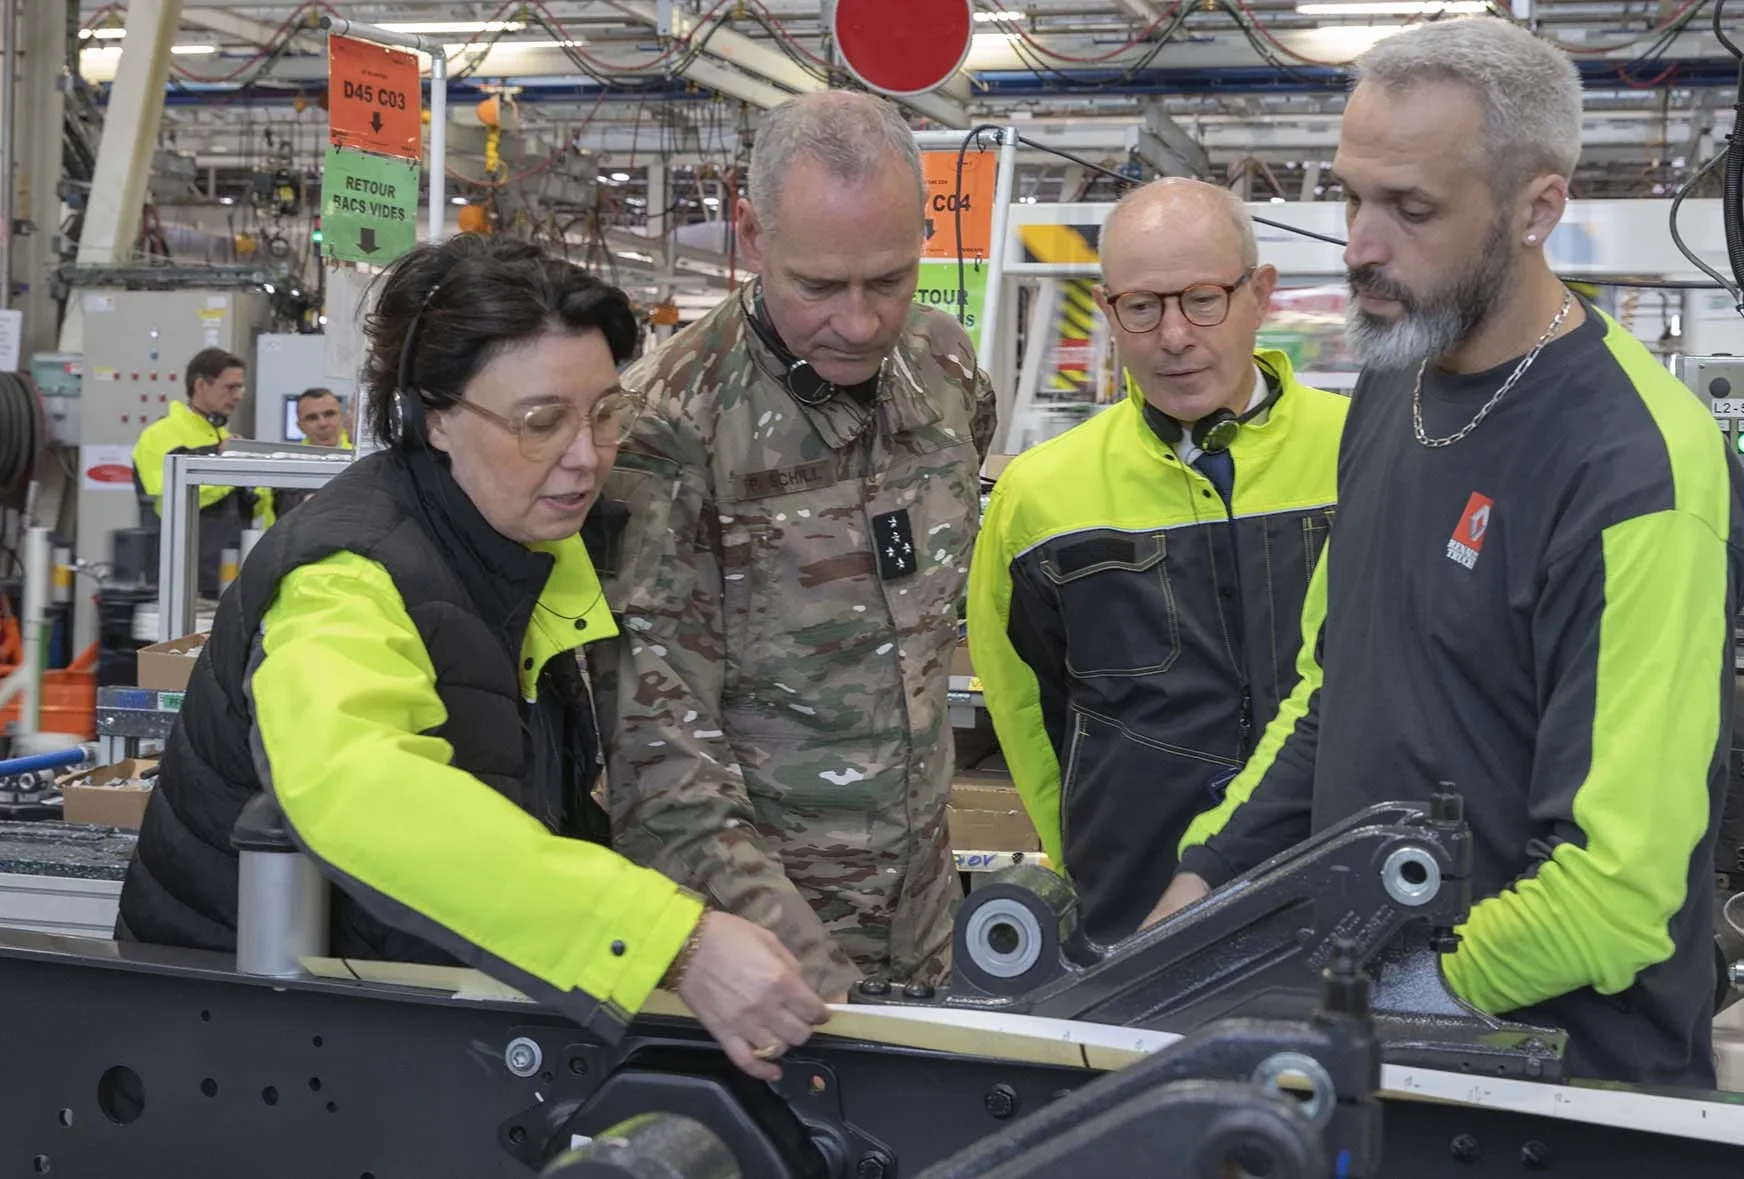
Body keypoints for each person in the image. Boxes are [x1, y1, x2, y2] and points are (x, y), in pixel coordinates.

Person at [1142, 17, 1744, 1088]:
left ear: (1537, 209)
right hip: (1385, 1064)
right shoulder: (1395, 383)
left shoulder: (1635, 465)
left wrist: (1380, 1010)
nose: (1362, 245)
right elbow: (1335, 688)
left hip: (1556, 1092)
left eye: (1412, 209)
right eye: (1351, 197)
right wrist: (1197, 900)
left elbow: (1616, 892)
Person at [116, 235, 826, 1080]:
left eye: (604, 412)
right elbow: (360, 790)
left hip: (384, 1013)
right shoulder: (347, 573)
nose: (586, 456)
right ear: (437, 416)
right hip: (235, 1048)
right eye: (542, 421)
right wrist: (671, 941)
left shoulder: (523, 549)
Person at [604, 90, 995, 999]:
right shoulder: (670, 425)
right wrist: (803, 966)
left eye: (889, 280)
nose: (859, 323)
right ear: (750, 233)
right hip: (761, 964)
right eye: (819, 286)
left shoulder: (945, 374)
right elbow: (657, 743)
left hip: (925, 929)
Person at [965, 178, 1346, 941]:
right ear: (1108, 313)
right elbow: (1025, 707)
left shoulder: (1360, 454)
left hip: (1337, 882)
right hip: (1134, 901)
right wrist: (1082, 856)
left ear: (1259, 293)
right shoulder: (1041, 495)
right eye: (1142, 306)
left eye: (1202, 298)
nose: (1174, 335)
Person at [131, 348, 268, 591]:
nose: (238, 396)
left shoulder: (223, 437)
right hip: (179, 579)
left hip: (225, 577)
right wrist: (227, 463)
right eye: (230, 387)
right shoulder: (160, 435)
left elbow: (254, 506)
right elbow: (171, 494)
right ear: (201, 385)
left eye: (241, 388)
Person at [274, 388, 353, 517]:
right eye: (312, 418)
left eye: (329, 414)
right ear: (300, 426)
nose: (322, 423)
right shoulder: (288, 465)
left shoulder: (361, 459)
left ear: (342, 417)